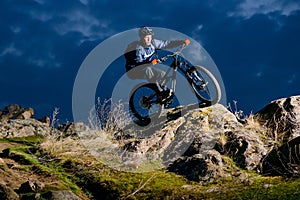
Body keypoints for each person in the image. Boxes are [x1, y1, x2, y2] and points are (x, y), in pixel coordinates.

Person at [124, 26, 190, 101]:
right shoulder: (138, 48)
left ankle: (162, 96)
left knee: (163, 75)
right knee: (148, 71)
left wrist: (181, 42)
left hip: (147, 67)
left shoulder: (153, 43)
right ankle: (160, 92)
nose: (149, 39)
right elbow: (138, 62)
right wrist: (149, 62)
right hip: (134, 70)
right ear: (141, 38)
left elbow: (166, 44)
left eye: (150, 36)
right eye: (146, 37)